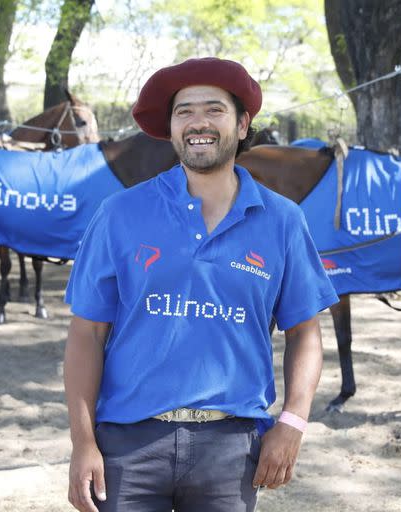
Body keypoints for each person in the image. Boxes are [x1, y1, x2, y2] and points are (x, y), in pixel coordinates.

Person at [63, 57, 339, 512]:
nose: (198, 123)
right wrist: (82, 443)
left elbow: (305, 332)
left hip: (231, 448)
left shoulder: (283, 221)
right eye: (184, 111)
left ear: (243, 123)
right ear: (171, 128)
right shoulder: (119, 214)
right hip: (129, 446)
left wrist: (292, 422)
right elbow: (86, 333)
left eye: (214, 110)